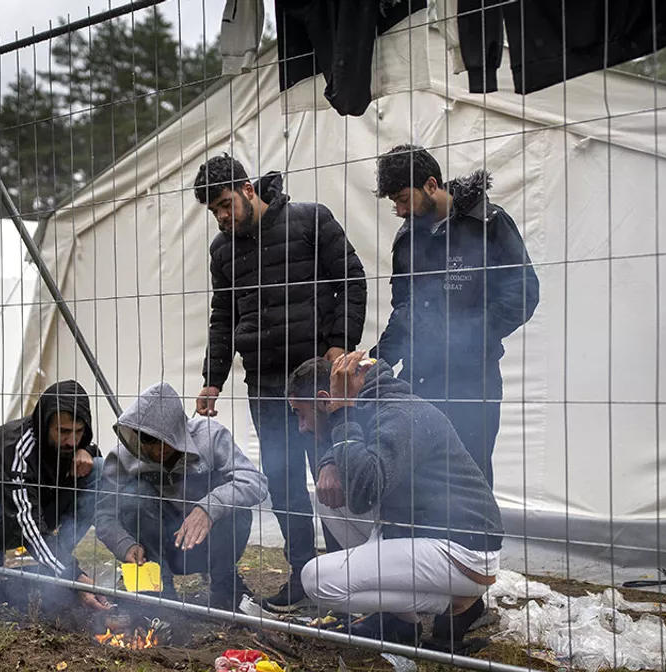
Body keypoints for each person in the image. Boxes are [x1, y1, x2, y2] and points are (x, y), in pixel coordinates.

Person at [193, 154, 368, 611]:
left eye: (225, 204)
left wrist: (339, 345)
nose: (222, 217)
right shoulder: (222, 251)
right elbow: (223, 318)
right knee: (284, 482)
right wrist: (213, 378)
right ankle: (305, 576)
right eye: (214, 212)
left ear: (248, 189)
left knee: (333, 476)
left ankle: (348, 574)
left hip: (317, 381)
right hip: (266, 385)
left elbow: (351, 278)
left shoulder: (311, 220)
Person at [288, 352, 503, 653]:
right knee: (329, 498)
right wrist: (328, 461)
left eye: (301, 413)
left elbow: (364, 490)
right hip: (421, 530)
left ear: (327, 400)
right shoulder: (369, 406)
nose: (301, 427)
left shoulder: (397, 412)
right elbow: (355, 463)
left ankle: (456, 604)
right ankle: (399, 623)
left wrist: (342, 416)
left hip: (464, 551)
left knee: (316, 579)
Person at [371, 144, 539, 487]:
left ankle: (476, 543)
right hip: (418, 381)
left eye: (404, 198)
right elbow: (403, 310)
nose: (401, 210)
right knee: (424, 481)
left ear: (431, 185)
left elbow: (524, 291)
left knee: (470, 479)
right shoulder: (407, 240)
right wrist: (378, 364)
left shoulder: (487, 223)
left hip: (473, 380)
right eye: (395, 204)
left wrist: (468, 335)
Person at [94, 382, 268, 612]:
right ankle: (160, 592)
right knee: (136, 497)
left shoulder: (211, 437)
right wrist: (125, 545)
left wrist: (209, 507)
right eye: (148, 441)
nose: (157, 451)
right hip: (159, 550)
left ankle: (225, 587)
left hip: (206, 545)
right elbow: (104, 515)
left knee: (236, 507)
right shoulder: (122, 458)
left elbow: (255, 482)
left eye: (163, 440)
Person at [0, 380, 107, 610]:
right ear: (45, 424)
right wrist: (74, 576)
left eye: (78, 432)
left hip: (30, 510)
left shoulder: (73, 445)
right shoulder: (15, 449)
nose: (71, 441)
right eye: (62, 432)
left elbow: (88, 458)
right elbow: (26, 522)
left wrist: (87, 451)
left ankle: (53, 564)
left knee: (97, 468)